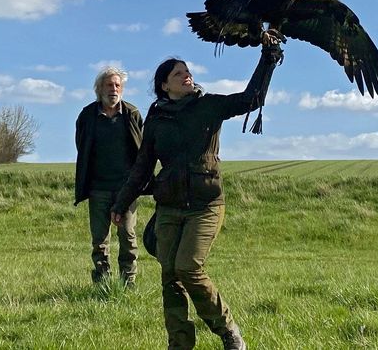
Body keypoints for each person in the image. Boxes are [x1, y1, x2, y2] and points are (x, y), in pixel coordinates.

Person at [111, 30, 284, 350]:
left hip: (205, 204)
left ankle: (228, 331)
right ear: (165, 85)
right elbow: (143, 165)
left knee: (188, 267)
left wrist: (268, 59)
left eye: (187, 70)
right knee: (169, 276)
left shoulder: (208, 106)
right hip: (170, 206)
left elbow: (251, 100)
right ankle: (179, 344)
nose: (186, 74)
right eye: (178, 73)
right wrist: (122, 202)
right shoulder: (157, 116)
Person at [74, 66, 145, 287]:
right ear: (99, 89)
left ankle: (128, 282)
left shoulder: (132, 114)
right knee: (99, 239)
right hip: (98, 187)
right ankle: (102, 282)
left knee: (127, 235)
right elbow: (81, 146)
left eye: (117, 85)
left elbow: (142, 149)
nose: (113, 89)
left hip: (127, 188)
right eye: (109, 85)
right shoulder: (88, 115)